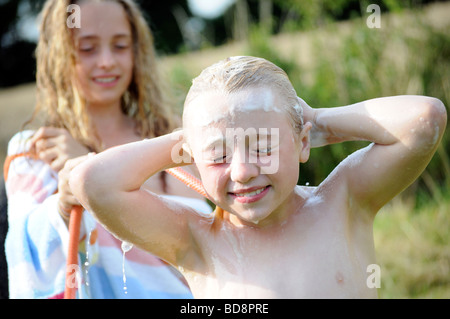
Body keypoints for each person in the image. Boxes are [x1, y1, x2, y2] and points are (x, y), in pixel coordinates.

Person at [70, 56, 447, 298]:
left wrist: (317, 121)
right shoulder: (196, 241)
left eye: (264, 147)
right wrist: (187, 140)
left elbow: (424, 119)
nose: (244, 171)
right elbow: (94, 182)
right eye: (218, 155)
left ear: (302, 143)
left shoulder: (342, 202)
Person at [3, 0, 211, 299]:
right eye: (87, 48)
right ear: (57, 54)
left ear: (136, 51)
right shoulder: (35, 152)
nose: (106, 61)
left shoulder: (172, 140)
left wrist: (96, 171)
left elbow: (207, 240)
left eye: (121, 46)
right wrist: (66, 200)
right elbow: (25, 251)